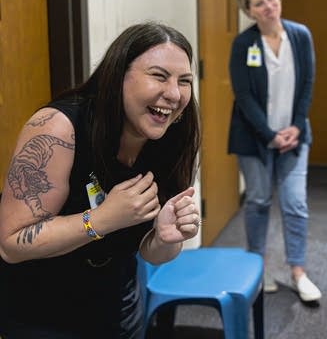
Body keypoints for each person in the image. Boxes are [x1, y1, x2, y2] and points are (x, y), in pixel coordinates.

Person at [0, 22, 202, 338]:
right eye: (159, 76)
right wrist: (102, 219)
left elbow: (150, 252)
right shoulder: (58, 129)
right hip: (42, 311)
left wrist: (165, 238)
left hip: (117, 303)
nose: (174, 94)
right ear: (119, 74)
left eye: (185, 81)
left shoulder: (173, 135)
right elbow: (12, 244)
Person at [227, 0, 321, 302]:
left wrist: (296, 126)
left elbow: (307, 83)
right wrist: (270, 135)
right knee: (258, 201)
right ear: (249, 11)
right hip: (254, 138)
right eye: (259, 3)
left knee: (295, 203)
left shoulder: (300, 35)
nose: (268, 6)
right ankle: (259, 266)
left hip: (295, 137)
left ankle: (298, 271)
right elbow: (243, 96)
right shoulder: (244, 44)